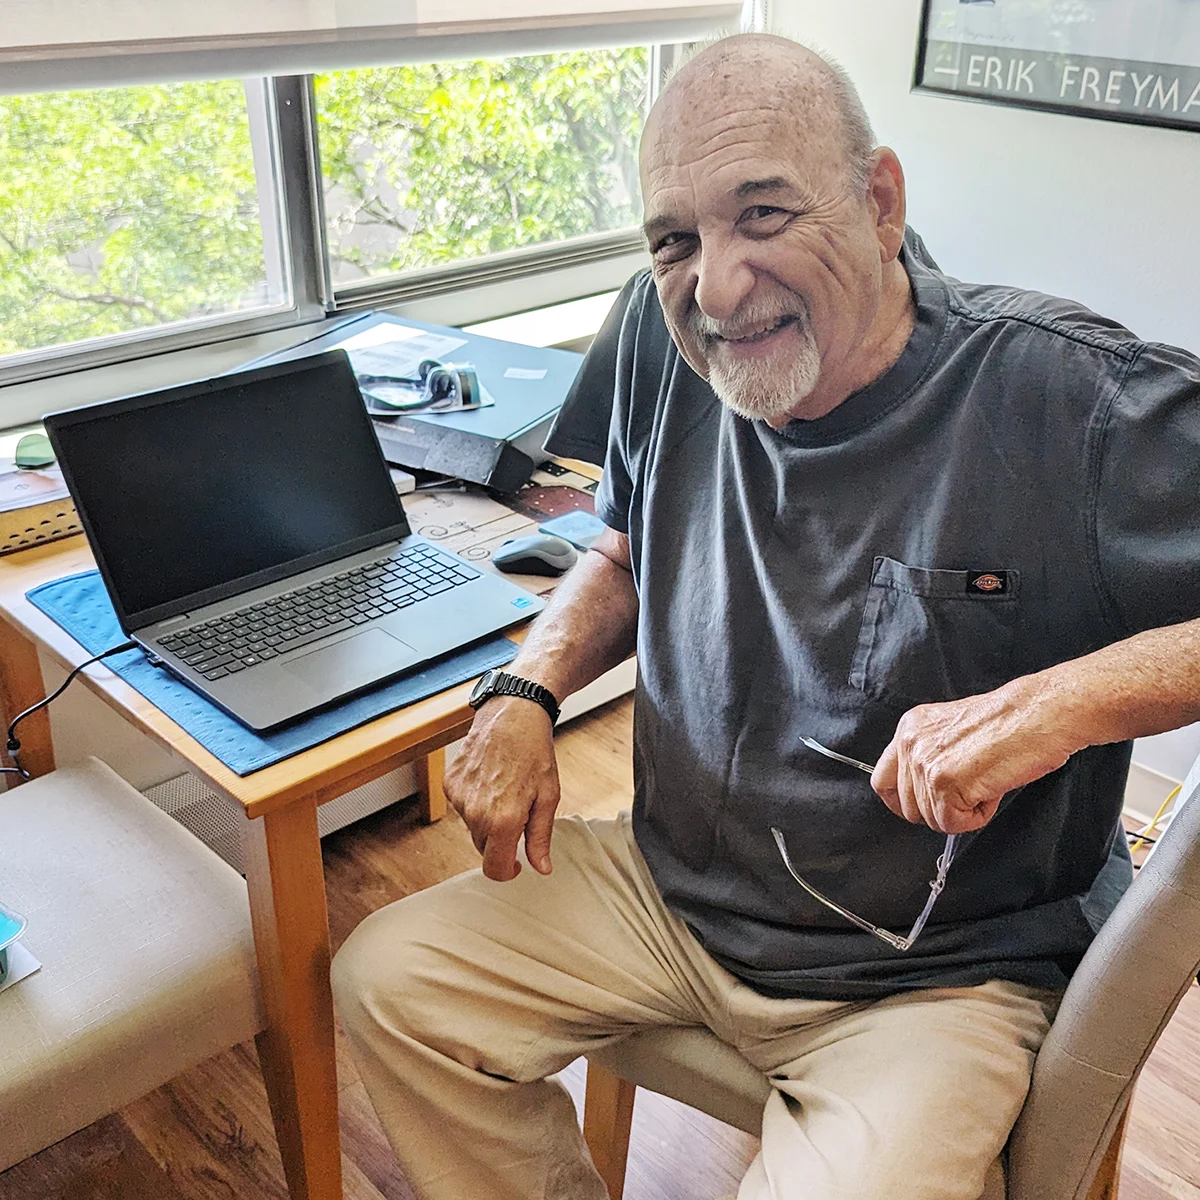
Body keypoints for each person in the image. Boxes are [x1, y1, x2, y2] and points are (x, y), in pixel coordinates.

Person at [331, 32, 1200, 1200]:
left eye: (765, 215)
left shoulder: (1062, 396)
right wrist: (527, 686)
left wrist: (1060, 704)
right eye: (675, 239)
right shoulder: (656, 331)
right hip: (670, 893)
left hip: (931, 976)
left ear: (880, 202)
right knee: (391, 980)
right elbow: (624, 549)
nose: (718, 287)